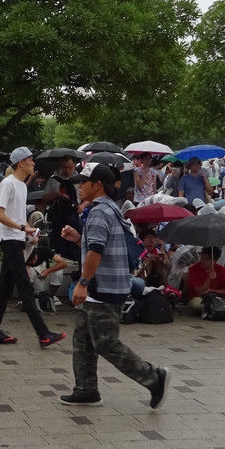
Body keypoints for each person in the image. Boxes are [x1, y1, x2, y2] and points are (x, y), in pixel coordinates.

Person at [57, 163, 169, 408]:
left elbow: (96, 252)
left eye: (83, 182)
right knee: (83, 341)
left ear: (97, 185)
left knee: (106, 342)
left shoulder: (99, 212)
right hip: (104, 287)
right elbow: (100, 247)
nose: (79, 186)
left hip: (103, 289)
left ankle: (153, 377)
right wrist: (79, 240)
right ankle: (86, 389)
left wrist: (83, 283)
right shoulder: (110, 209)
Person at [0, 146, 66, 348]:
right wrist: (23, 228)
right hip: (9, 239)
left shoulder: (21, 185)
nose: (33, 163)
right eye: (30, 160)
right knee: (25, 287)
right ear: (21, 163)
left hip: (16, 238)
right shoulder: (8, 184)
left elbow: (18, 217)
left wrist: (28, 232)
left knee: (4, 287)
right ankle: (43, 333)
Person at [186, 246, 225, 312]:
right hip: (203, 299)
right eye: (201, 257)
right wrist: (209, 279)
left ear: (215, 261)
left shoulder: (221, 269)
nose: (202, 261)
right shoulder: (194, 269)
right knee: (195, 303)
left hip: (220, 298)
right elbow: (200, 292)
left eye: (206, 259)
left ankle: (217, 309)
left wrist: (212, 291)